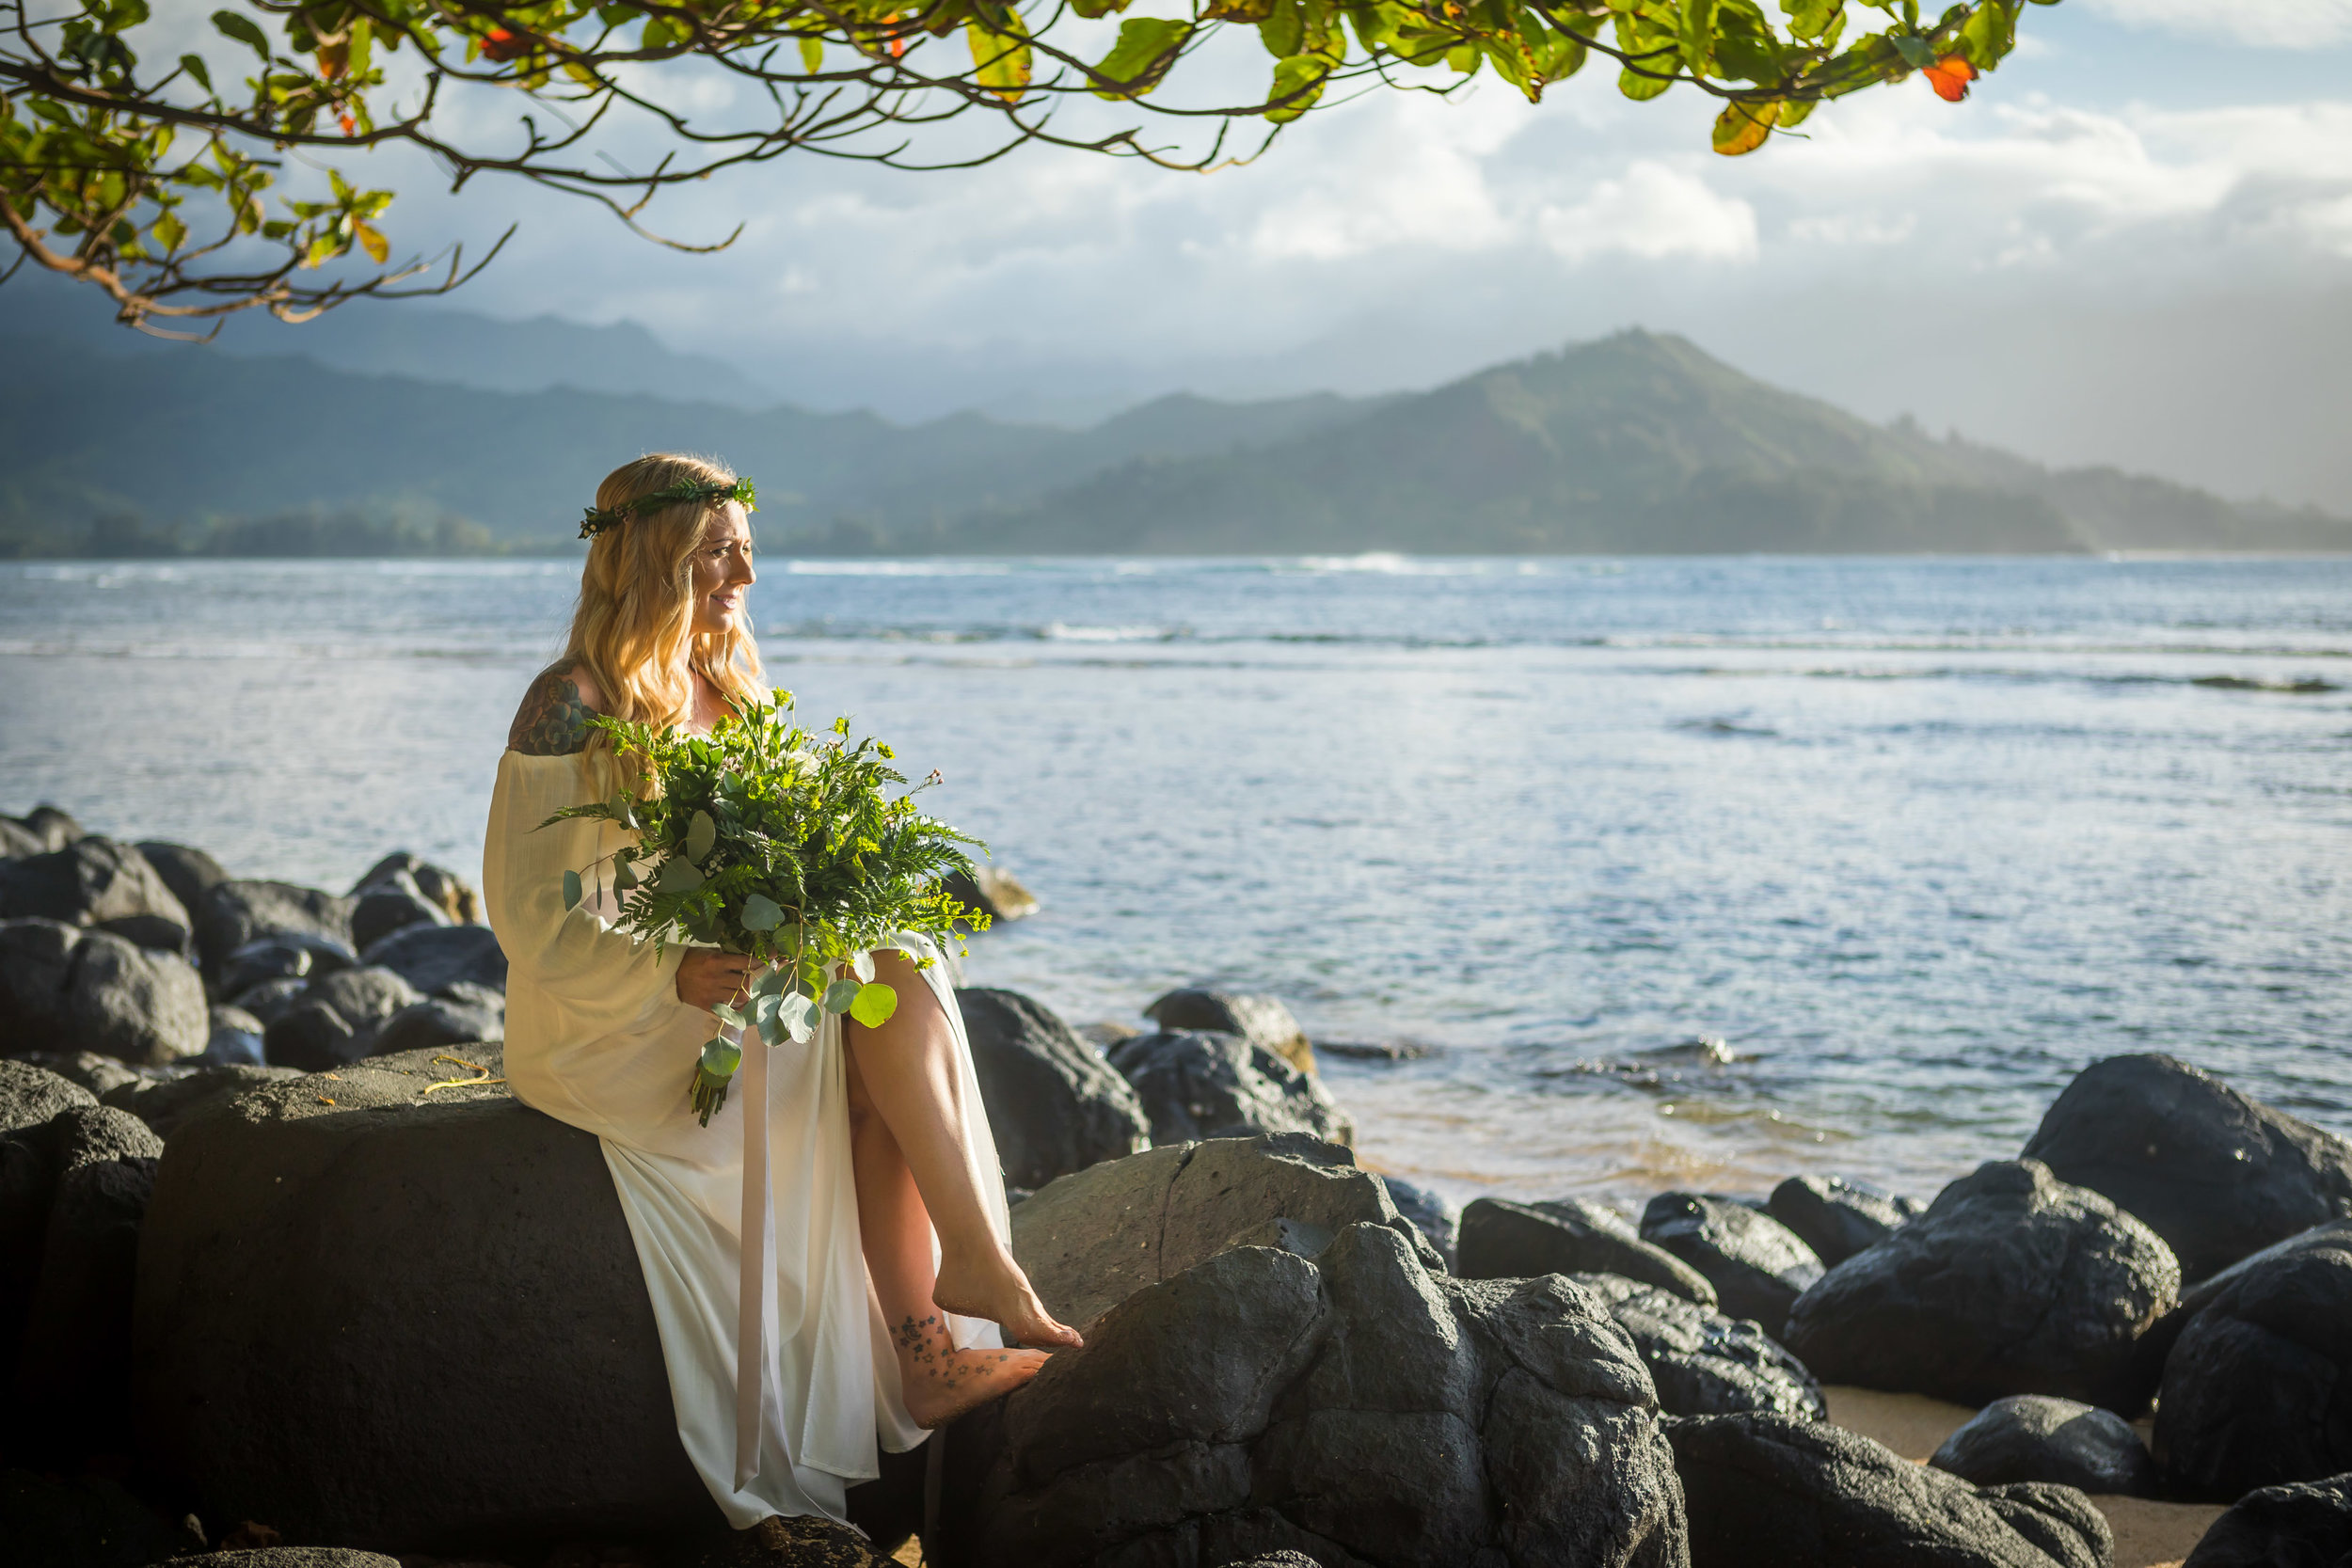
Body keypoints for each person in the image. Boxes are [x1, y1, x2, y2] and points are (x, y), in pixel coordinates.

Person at [481, 452, 1079, 1544]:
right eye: (720, 549)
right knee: (856, 1039)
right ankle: (936, 1324)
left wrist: (822, 912)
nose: (745, 573)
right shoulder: (569, 705)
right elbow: (526, 914)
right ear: (655, 556)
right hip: (610, 1013)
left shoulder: (733, 680)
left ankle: (950, 1304)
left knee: (891, 970)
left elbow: (778, 856)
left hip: (732, 979)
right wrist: (668, 970)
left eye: (746, 547)